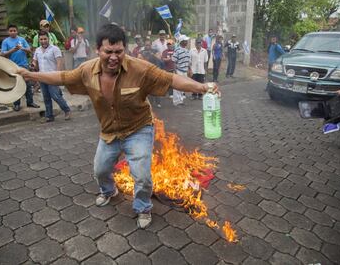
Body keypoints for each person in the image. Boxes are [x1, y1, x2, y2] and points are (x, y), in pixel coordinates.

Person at [16, 24, 219, 229]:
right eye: (108, 52)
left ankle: (143, 207)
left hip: (138, 129)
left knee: (141, 175)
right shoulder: (87, 70)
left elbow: (172, 79)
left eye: (119, 52)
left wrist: (202, 87)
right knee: (100, 170)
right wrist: (32, 75)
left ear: (125, 50)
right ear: (98, 50)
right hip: (109, 131)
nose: (113, 57)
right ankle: (108, 190)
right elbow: (62, 77)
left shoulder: (140, 69)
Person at [33, 31, 71, 122]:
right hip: (42, 77)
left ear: (48, 39)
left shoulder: (55, 49)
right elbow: (35, 61)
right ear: (39, 40)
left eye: (45, 39)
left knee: (55, 96)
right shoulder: (37, 50)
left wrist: (57, 74)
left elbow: (59, 62)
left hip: (52, 77)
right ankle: (49, 116)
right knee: (46, 97)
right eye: (41, 39)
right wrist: (33, 65)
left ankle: (67, 110)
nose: (43, 41)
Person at [1, 24, 40, 111]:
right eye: (11, 31)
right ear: (8, 32)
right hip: (12, 66)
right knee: (16, 85)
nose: (13, 32)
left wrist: (21, 48)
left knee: (28, 85)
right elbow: (3, 54)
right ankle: (16, 104)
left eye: (14, 30)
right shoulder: (6, 41)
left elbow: (29, 50)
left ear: (17, 31)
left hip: (24, 65)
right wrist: (13, 50)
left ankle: (30, 102)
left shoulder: (22, 39)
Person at [139, 38, 163, 108]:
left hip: (155, 71)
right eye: (146, 45)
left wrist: (152, 54)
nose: (147, 46)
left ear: (151, 45)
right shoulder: (142, 52)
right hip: (146, 72)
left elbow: (159, 58)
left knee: (156, 87)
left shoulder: (155, 51)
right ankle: (149, 103)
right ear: (144, 45)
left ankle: (158, 103)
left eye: (149, 45)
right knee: (147, 88)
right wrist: (144, 56)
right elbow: (138, 59)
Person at [171, 35, 191, 106]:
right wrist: (175, 71)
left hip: (185, 71)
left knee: (182, 86)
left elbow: (188, 62)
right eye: (185, 41)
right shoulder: (177, 50)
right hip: (178, 71)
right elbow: (174, 61)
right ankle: (176, 102)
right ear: (182, 42)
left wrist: (189, 70)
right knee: (177, 87)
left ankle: (181, 100)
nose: (187, 42)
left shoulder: (187, 51)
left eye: (186, 41)